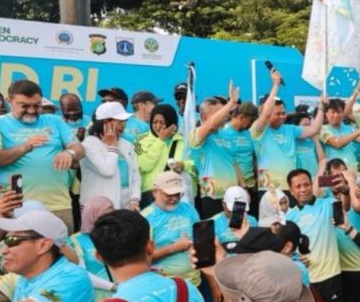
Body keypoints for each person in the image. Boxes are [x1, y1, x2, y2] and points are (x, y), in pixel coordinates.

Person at [0, 79, 86, 231]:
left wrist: (69, 153)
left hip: (58, 206)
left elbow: (79, 148)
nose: (31, 111)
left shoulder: (54, 120)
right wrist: (25, 146)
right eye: (24, 106)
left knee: (62, 253)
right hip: (14, 208)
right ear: (9, 100)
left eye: (37, 106)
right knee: (15, 252)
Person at [285, 168, 350, 302]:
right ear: (291, 190)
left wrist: (345, 192)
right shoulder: (290, 216)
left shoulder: (327, 204)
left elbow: (345, 208)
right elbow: (288, 248)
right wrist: (296, 258)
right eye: (298, 186)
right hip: (306, 281)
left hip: (330, 275)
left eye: (306, 184)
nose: (303, 189)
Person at [250, 68, 324, 193]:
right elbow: (266, 115)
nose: (282, 116)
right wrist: (275, 85)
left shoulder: (290, 130)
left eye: (283, 113)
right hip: (269, 189)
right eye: (278, 114)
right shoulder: (259, 130)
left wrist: (322, 106)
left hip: (292, 188)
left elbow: (314, 129)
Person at [189, 84, 244, 218]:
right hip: (213, 196)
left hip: (234, 195)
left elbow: (234, 162)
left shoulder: (227, 134)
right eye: (219, 113)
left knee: (237, 229)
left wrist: (242, 188)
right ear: (205, 116)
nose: (224, 116)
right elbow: (210, 125)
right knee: (216, 233)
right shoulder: (196, 134)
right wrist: (231, 103)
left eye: (224, 112)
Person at [79, 101, 141, 214]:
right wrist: (112, 145)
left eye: (125, 121)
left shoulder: (126, 144)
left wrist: (134, 200)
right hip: (98, 210)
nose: (123, 125)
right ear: (105, 122)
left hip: (125, 207)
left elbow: (135, 173)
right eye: (120, 121)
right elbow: (107, 170)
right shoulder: (89, 144)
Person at [142, 171, 202, 287]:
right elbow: (141, 258)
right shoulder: (145, 218)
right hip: (165, 286)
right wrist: (174, 248)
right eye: (169, 194)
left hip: (195, 282)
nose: (174, 199)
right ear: (155, 192)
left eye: (178, 194)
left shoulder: (189, 209)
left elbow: (201, 242)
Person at [134, 103, 194, 208]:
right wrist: (160, 140)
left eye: (162, 122)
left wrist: (184, 165)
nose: (158, 126)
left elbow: (196, 165)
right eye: (154, 122)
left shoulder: (184, 141)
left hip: (176, 195)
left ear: (172, 123)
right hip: (151, 196)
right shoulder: (140, 140)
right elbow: (143, 165)